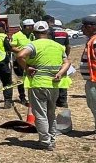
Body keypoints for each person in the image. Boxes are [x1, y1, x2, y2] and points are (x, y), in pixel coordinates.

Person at [16, 20, 70, 151]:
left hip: (38, 84)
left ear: (34, 33)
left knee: (40, 114)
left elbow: (20, 55)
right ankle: (52, 139)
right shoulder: (58, 46)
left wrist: (27, 68)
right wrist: (60, 73)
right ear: (47, 32)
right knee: (51, 113)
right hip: (54, 84)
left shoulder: (33, 45)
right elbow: (67, 63)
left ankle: (45, 142)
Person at [44, 16, 72, 109]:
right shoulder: (64, 32)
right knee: (63, 79)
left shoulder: (49, 31)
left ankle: (53, 102)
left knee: (52, 79)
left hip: (52, 58)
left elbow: (49, 44)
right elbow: (68, 46)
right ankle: (63, 101)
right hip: (62, 57)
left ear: (47, 22)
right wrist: (66, 57)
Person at [9, 19, 36, 104]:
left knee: (32, 78)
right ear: (24, 27)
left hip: (31, 60)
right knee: (20, 79)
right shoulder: (16, 35)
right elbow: (12, 47)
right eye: (30, 26)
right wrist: (22, 51)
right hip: (20, 60)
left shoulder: (32, 35)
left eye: (32, 26)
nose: (31, 28)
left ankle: (32, 96)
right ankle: (22, 97)